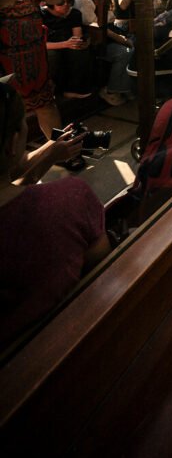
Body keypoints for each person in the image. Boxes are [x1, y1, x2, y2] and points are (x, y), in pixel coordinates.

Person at [0, 78, 110, 348]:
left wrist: (50, 151)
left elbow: (8, 189)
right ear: (14, 141)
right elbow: (102, 264)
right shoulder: (71, 198)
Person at [0, 0, 68, 139]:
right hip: (5, 66)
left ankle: (59, 148)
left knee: (47, 105)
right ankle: (12, 160)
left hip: (35, 62)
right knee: (9, 113)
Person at [76, 0, 133, 107]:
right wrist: (119, 38)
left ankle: (127, 86)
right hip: (96, 38)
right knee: (124, 53)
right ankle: (112, 90)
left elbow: (112, 18)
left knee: (136, 43)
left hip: (110, 31)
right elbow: (93, 25)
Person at [42, 0, 92, 99]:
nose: (66, 5)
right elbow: (40, 44)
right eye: (60, 3)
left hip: (67, 43)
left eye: (68, 2)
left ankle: (73, 89)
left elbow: (77, 35)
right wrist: (65, 44)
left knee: (79, 51)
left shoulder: (74, 13)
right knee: (52, 56)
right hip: (49, 46)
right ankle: (53, 90)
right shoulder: (41, 15)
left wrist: (79, 42)